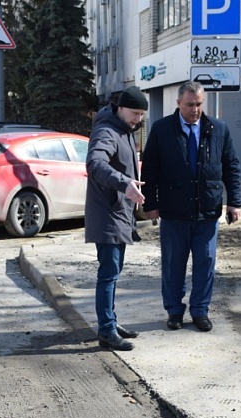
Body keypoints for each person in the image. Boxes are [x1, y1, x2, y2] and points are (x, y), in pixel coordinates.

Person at [141, 80, 241, 333]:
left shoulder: (218, 128)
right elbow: (150, 168)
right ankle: (174, 311)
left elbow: (231, 166)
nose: (195, 110)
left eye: (198, 104)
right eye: (189, 105)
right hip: (174, 212)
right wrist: (150, 203)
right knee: (173, 264)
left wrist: (235, 201)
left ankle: (200, 310)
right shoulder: (162, 129)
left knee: (205, 263)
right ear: (178, 103)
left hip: (207, 212)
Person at [85, 86, 148, 351]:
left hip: (118, 215)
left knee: (114, 272)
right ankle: (107, 331)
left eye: (142, 115)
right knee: (108, 274)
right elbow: (95, 164)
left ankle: (110, 321)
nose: (138, 119)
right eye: (135, 113)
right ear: (120, 108)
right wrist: (124, 184)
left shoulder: (123, 130)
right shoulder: (107, 131)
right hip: (108, 215)